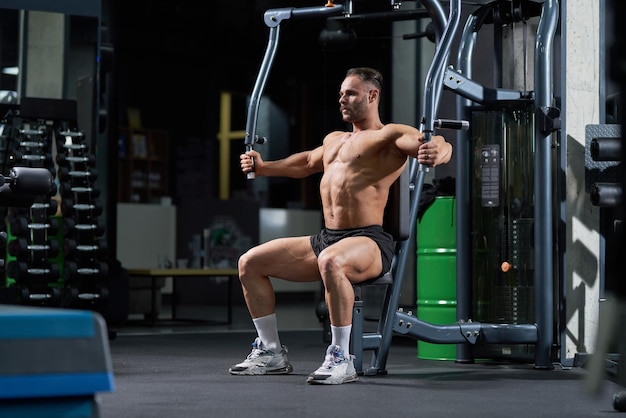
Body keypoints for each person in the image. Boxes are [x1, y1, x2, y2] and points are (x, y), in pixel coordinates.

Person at [230, 67, 452, 385]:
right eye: (340, 94)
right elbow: (307, 162)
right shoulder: (335, 139)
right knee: (250, 262)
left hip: (369, 242)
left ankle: (341, 357)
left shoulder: (388, 136)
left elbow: (437, 143)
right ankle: (271, 353)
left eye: (350, 93)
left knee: (331, 260)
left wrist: (439, 152)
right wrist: (264, 167)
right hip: (328, 239)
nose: (342, 99)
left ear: (372, 95)